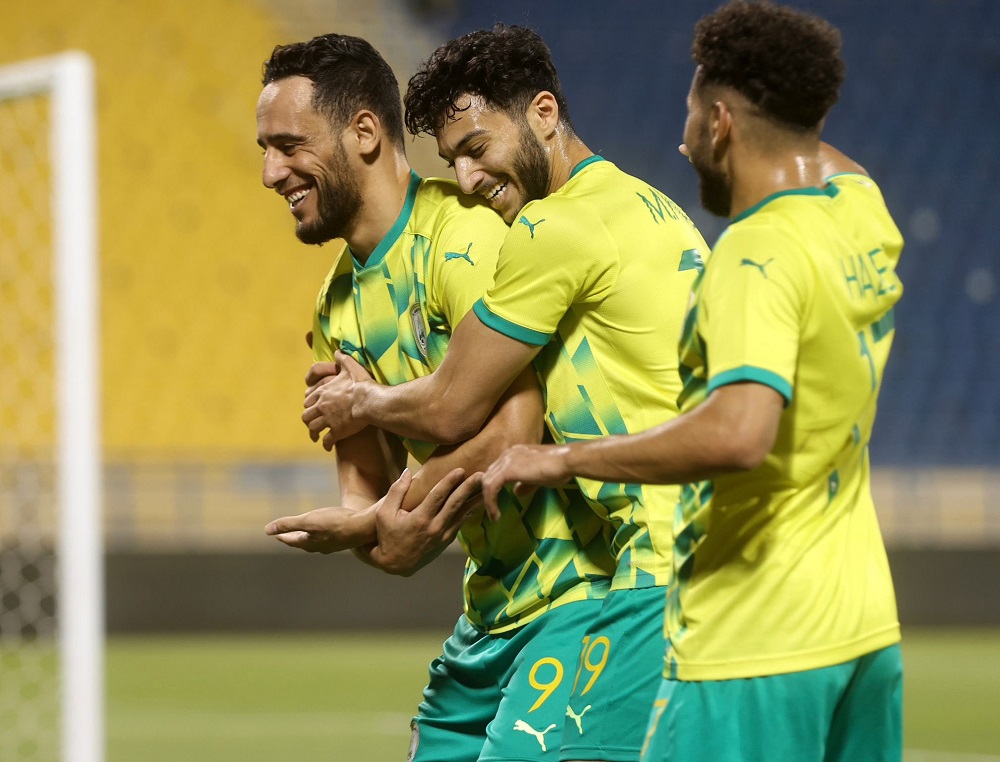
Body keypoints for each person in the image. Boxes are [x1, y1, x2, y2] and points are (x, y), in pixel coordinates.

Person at [481, 3, 905, 761]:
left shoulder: (752, 256)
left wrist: (563, 458)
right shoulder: (858, 215)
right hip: (864, 629)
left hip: (752, 639)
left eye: (689, 119)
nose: (680, 143)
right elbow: (832, 159)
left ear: (720, 124)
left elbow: (739, 432)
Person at [300, 24, 710, 762]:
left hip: (656, 559)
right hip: (698, 549)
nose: (466, 181)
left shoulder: (550, 229)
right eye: (452, 160)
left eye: (477, 149)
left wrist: (362, 404)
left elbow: (457, 405)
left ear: (545, 115)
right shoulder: (650, 206)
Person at [256, 33, 618, 762]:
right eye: (265, 149)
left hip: (577, 591)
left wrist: (399, 503)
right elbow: (375, 506)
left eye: (289, 145)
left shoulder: (466, 237)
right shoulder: (335, 307)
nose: (271, 173)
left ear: (363, 131)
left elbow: (519, 431)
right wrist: (365, 526)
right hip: (490, 607)